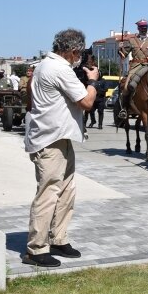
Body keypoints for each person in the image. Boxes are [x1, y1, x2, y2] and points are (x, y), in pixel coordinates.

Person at [22, 28, 98, 268]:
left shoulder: (46, 65)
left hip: (61, 137)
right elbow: (86, 102)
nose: (80, 57)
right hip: (50, 139)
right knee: (49, 192)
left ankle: (58, 238)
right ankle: (36, 248)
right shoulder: (58, 68)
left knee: (67, 190)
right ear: (73, 50)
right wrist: (94, 82)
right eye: (79, 53)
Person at [117, 19, 148, 119]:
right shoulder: (132, 41)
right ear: (138, 28)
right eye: (141, 28)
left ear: (147, 29)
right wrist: (120, 48)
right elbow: (124, 55)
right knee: (126, 87)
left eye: (145, 28)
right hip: (135, 67)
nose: (143, 30)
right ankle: (124, 109)